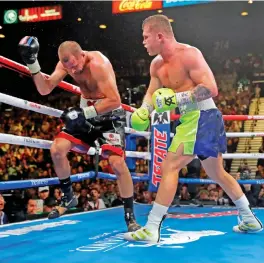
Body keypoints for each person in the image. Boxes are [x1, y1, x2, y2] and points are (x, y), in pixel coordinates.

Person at [125, 15, 263, 242]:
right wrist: (143, 109)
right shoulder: (156, 65)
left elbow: (211, 88)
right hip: (191, 119)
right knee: (216, 172)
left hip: (203, 115)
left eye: (146, 37)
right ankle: (249, 218)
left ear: (160, 36)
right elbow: (152, 93)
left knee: (169, 166)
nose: (143, 42)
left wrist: (174, 101)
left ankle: (151, 228)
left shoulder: (189, 54)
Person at [18, 36, 140, 232]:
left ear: (82, 55)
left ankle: (130, 216)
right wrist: (33, 63)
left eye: (75, 66)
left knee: (117, 163)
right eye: (70, 69)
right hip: (87, 113)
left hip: (108, 114)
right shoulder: (67, 64)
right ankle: (68, 196)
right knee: (57, 149)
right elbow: (44, 89)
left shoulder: (98, 64)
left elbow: (115, 100)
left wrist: (85, 113)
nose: (73, 71)